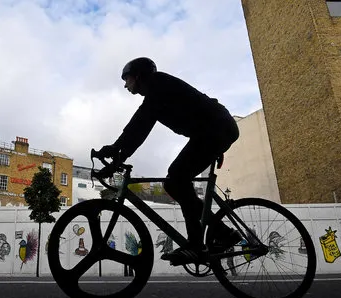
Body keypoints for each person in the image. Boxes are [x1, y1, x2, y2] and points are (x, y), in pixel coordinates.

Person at [97, 57, 241, 266]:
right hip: (214, 130)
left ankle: (207, 240)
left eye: (126, 79)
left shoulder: (157, 85)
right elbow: (140, 123)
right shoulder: (157, 89)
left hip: (214, 130)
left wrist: (117, 151)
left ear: (138, 76)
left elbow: (141, 125)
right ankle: (208, 239)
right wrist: (118, 151)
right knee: (178, 181)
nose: (125, 84)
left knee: (175, 180)